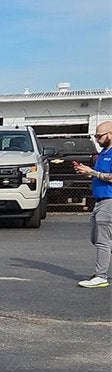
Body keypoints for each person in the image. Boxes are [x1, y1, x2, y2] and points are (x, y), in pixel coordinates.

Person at [72, 121, 112, 288]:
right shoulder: (103, 153)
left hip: (109, 201)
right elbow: (100, 175)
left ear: (110, 134)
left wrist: (92, 172)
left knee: (103, 240)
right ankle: (102, 270)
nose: (97, 139)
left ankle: (101, 276)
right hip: (99, 201)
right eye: (95, 136)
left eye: (99, 136)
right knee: (96, 237)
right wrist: (86, 171)